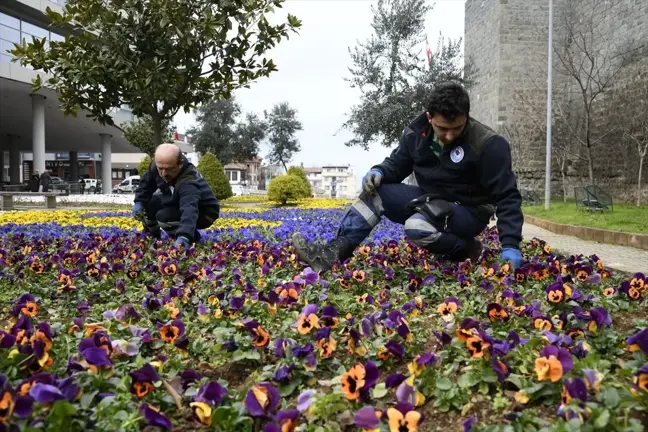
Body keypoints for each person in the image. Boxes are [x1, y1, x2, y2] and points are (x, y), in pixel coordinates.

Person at [292, 82, 524, 272]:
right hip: (430, 199)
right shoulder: (415, 134)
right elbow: (398, 165)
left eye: (458, 127)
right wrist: (380, 171)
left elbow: (507, 196)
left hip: (469, 211)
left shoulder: (488, 144)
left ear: (467, 117)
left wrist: (511, 245)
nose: (450, 135)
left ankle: (466, 249)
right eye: (443, 128)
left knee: (417, 226)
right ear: (430, 117)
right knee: (375, 193)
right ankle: (331, 253)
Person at [133, 143, 221, 247]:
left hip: (205, 211)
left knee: (164, 216)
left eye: (169, 169)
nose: (163, 174)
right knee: (149, 203)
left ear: (180, 164)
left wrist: (184, 236)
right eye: (160, 168)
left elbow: (189, 208)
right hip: (178, 201)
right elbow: (146, 185)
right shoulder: (157, 166)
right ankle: (152, 235)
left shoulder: (188, 181)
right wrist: (139, 202)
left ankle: (192, 239)